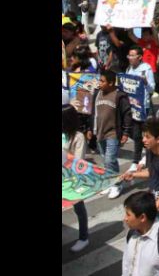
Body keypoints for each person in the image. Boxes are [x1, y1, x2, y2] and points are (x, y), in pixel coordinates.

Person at [86, 70, 133, 199]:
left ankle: (117, 184)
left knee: (109, 159)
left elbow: (127, 114)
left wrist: (126, 132)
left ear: (111, 83)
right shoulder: (97, 93)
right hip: (99, 132)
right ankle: (110, 181)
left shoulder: (119, 96)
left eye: (102, 81)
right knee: (105, 159)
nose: (99, 83)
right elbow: (92, 113)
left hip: (113, 133)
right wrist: (90, 129)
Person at [63, 105, 90, 252]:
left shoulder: (78, 137)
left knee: (79, 208)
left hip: (73, 179)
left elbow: (78, 161)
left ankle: (83, 237)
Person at [125, 45, 156, 171]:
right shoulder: (129, 69)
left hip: (143, 106)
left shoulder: (146, 69)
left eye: (132, 56)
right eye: (129, 56)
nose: (130, 58)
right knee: (136, 133)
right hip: (131, 106)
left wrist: (145, 82)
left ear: (139, 57)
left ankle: (141, 158)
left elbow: (152, 89)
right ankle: (142, 155)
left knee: (142, 133)